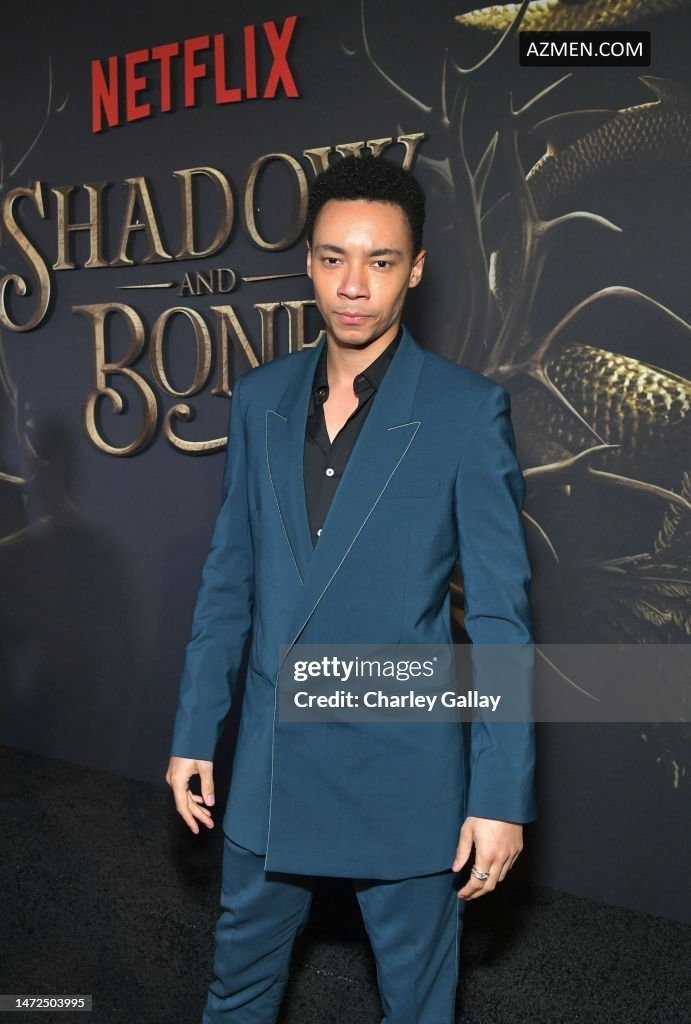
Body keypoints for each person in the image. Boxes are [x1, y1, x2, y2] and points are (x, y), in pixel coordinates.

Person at [166, 154, 535, 1023]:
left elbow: (499, 619)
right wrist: (194, 731)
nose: (354, 285)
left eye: (379, 260)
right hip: (271, 765)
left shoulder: (464, 410)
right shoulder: (258, 398)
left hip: (401, 769)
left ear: (416, 269)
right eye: (333, 258)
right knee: (236, 992)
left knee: (416, 1005)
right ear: (308, 263)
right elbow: (229, 581)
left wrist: (499, 796)